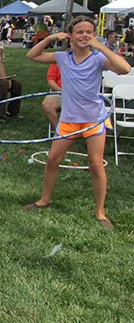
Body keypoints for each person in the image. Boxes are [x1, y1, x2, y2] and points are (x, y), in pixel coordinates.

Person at [25, 16, 131, 229]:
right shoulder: (63, 57)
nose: (84, 35)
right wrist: (51, 38)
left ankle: (100, 212)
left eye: (89, 32)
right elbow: (32, 55)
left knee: (95, 164)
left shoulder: (98, 58)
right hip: (70, 118)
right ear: (71, 36)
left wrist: (100, 46)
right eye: (79, 32)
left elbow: (125, 68)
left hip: (93, 119)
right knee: (53, 160)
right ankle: (44, 200)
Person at [43, 63, 62, 129]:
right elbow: (51, 81)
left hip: (84, 96)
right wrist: (60, 90)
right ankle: (59, 132)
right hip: (61, 94)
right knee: (47, 104)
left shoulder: (91, 60)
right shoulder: (58, 61)